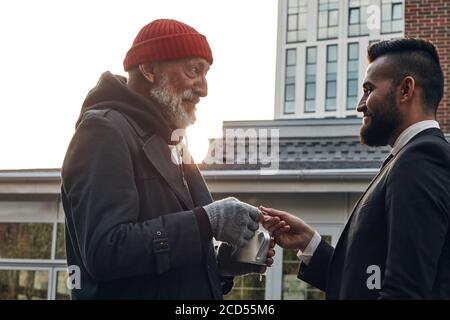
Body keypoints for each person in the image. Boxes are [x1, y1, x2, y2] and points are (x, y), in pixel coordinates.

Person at [61, 19, 274, 300]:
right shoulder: (103, 131)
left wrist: (221, 266)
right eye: (193, 70)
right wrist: (205, 223)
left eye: (206, 73)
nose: (204, 88)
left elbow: (162, 266)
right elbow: (105, 251)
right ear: (149, 69)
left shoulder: (172, 141)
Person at [262, 38, 450, 299]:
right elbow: (369, 283)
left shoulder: (421, 159)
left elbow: (404, 292)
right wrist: (310, 243)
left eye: (369, 90)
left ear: (406, 90)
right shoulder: (407, 159)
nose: (360, 104)